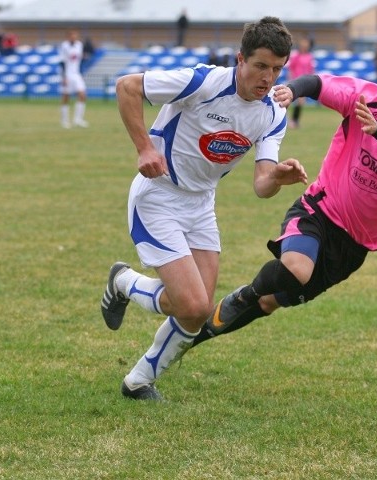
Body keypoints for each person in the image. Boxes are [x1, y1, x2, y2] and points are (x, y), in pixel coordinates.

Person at [100, 16, 308, 401]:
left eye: (277, 69)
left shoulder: (273, 114)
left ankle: (138, 381)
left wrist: (278, 176)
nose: (268, 77)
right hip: (158, 196)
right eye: (261, 65)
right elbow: (127, 86)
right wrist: (145, 147)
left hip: (201, 205)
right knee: (192, 304)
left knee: (197, 311)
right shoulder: (204, 81)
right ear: (240, 59)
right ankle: (124, 283)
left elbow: (261, 185)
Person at [190, 53, 377, 355]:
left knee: (270, 302)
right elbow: (318, 84)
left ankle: (199, 334)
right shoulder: (369, 99)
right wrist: (294, 90)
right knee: (295, 271)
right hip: (319, 209)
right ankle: (236, 300)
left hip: (354, 246)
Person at [58, 29, 88, 128]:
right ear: (68, 37)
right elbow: (62, 62)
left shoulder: (79, 45)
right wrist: (64, 77)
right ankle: (64, 120)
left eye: (75, 36)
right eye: (72, 36)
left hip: (76, 74)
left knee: (82, 95)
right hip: (67, 74)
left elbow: (79, 60)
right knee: (66, 97)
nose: (74, 37)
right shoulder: (64, 46)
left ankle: (77, 119)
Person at [286, 36, 315, 128]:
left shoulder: (309, 57)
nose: (304, 44)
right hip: (295, 81)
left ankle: (294, 121)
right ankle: (288, 120)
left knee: (300, 102)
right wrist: (290, 80)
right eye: (303, 42)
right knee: (289, 101)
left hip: (305, 82)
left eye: (306, 43)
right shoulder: (296, 56)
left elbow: (311, 70)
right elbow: (291, 69)